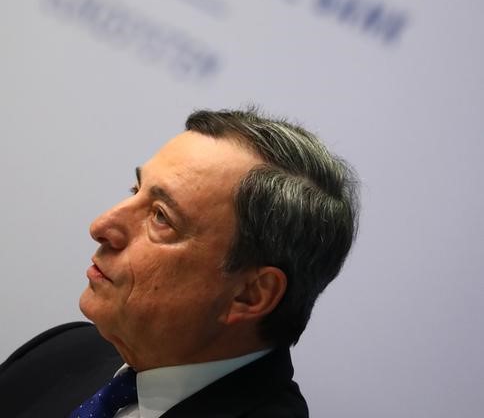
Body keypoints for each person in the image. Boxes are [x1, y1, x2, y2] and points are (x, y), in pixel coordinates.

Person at [0, 107, 359, 417]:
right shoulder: (64, 350)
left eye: (160, 217)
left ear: (250, 294)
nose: (101, 226)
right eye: (134, 191)